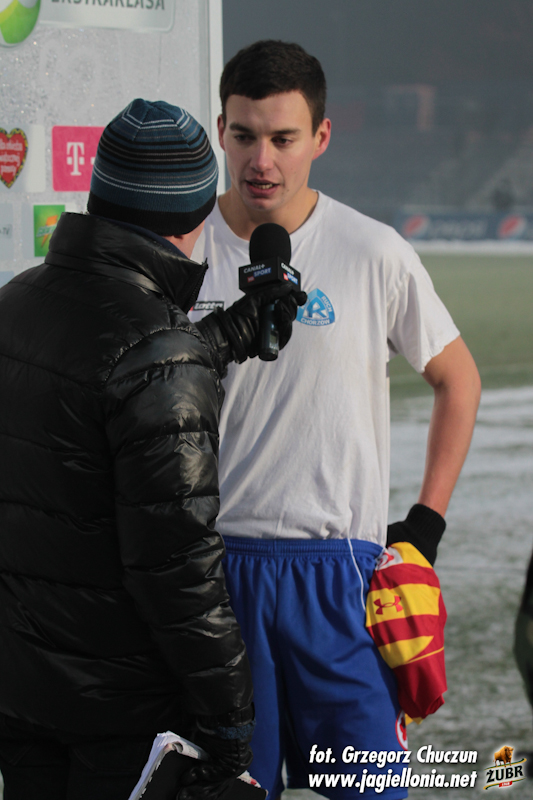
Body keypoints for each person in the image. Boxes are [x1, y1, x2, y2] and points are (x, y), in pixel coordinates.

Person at [188, 41, 482, 800]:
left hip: (341, 579)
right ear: (220, 130)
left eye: (283, 138)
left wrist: (424, 526)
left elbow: (457, 379)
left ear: (320, 137)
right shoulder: (182, 251)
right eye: (244, 135)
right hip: (216, 577)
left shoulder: (371, 251)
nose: (262, 160)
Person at [0, 98, 304, 800]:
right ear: (192, 214)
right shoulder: (161, 353)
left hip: (23, 691)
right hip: (124, 715)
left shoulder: (17, 302)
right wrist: (230, 724)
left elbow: (96, 390)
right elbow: (180, 572)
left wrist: (224, 337)